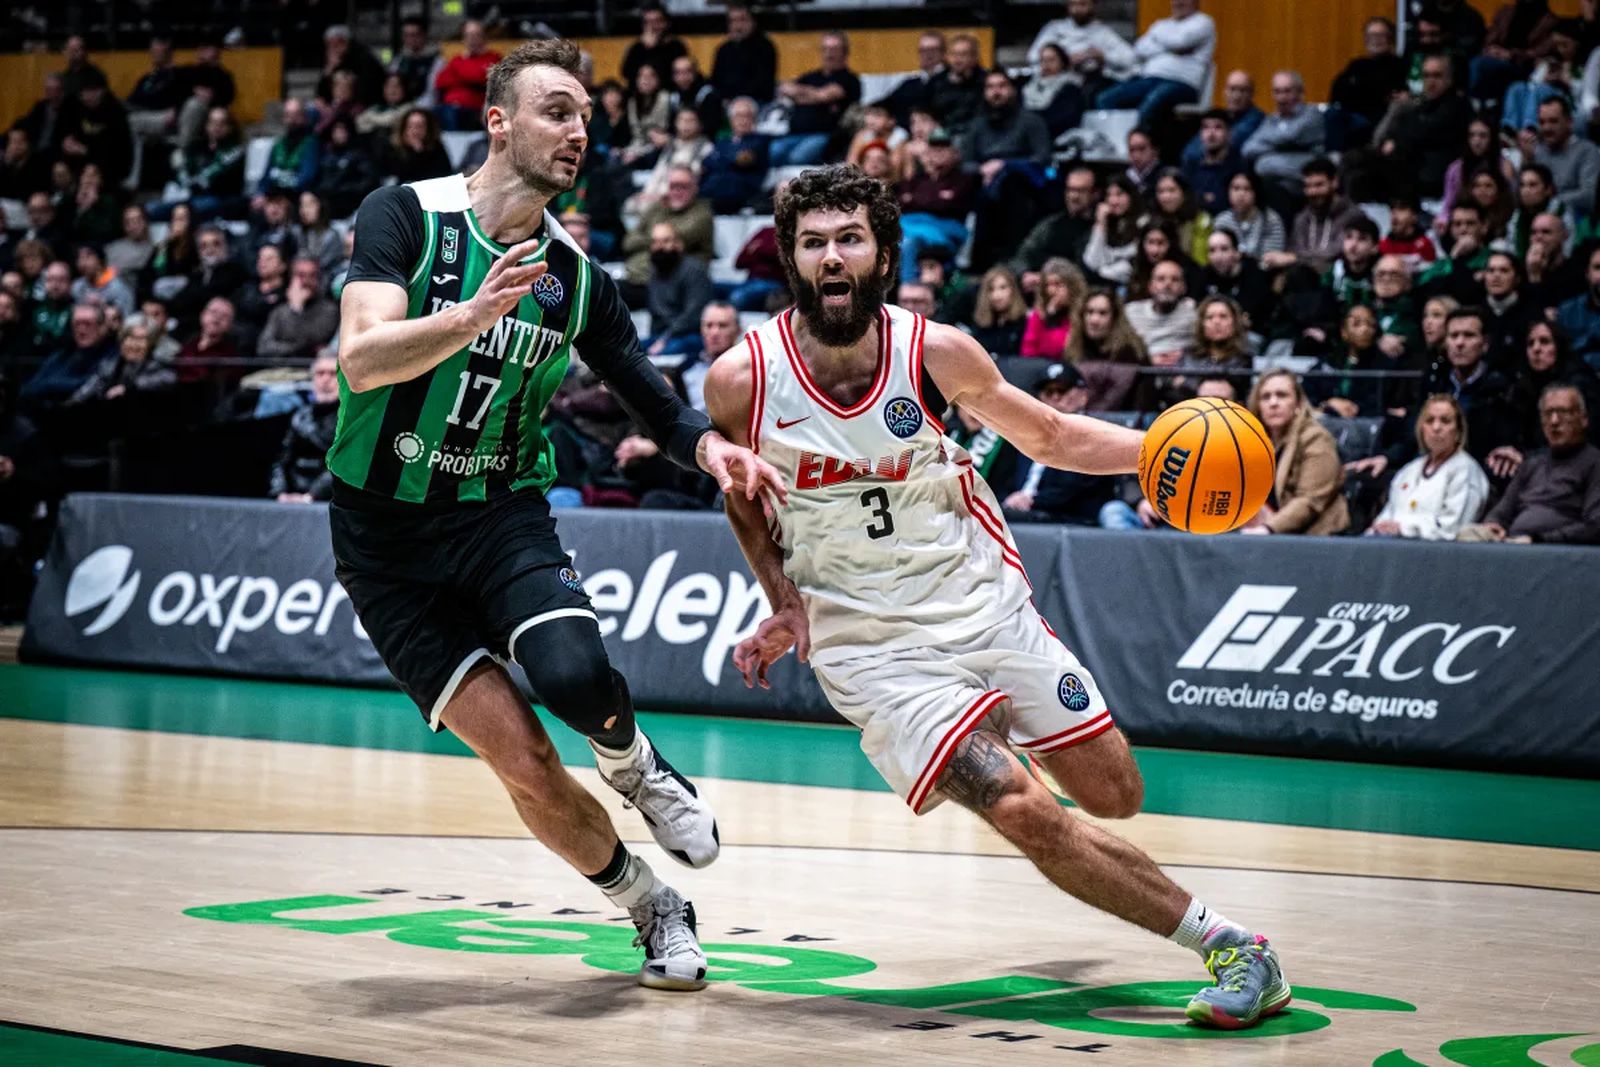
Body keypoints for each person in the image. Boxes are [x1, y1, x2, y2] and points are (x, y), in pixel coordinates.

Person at [702, 164, 1291, 1031]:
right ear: (789, 258)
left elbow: (1050, 435)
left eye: (849, 239)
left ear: (883, 254)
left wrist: (1166, 447)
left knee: (1116, 793)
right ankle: (1233, 945)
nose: (832, 257)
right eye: (814, 241)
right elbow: (742, 493)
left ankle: (1009, 733)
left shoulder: (934, 353)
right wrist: (783, 600)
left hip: (981, 601)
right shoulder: (741, 380)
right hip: (867, 642)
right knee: (1024, 810)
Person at [329, 39, 782, 992]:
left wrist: (711, 447)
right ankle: (654, 906)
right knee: (527, 763)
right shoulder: (405, 215)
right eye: (557, 111)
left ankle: (640, 766)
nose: (578, 131)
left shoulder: (575, 276)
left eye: (585, 116)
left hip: (499, 513)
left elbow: (654, 400)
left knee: (575, 673)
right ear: (499, 120)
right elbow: (361, 360)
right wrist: (465, 315)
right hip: (384, 541)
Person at [1457, 384, 1600, 542]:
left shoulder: (1595, 463)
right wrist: (1494, 523)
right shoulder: (1533, 463)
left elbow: (1594, 525)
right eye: (1548, 413)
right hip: (1514, 543)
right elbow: (1503, 508)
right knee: (1468, 534)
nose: (1554, 421)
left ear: (1583, 418)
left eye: (1563, 412)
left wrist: (1539, 539)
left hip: (1558, 550)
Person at [1242, 369, 1350, 535]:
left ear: (1298, 404)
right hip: (1267, 536)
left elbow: (1310, 500)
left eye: (1282, 395)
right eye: (1265, 397)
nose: (1273, 403)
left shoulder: (1316, 438)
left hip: (1315, 538)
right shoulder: (1255, 442)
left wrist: (1267, 528)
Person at [1367, 394, 1489, 539]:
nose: (1436, 427)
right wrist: (1379, 527)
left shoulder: (1466, 471)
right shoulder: (1409, 471)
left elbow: (1452, 528)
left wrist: (1404, 529)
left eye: (1445, 421)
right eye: (1430, 421)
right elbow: (1388, 514)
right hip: (1391, 546)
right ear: (1421, 428)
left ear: (1458, 431)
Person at [1095, 0, 1216, 129]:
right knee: (1106, 98)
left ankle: (1141, 144)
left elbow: (1180, 41)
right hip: (1149, 80)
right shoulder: (1163, 24)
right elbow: (1140, 49)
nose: (1178, 3)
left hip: (1182, 83)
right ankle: (1116, 140)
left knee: (1152, 101)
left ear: (1195, 2)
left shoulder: (1203, 22)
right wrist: (1170, 47)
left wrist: (1156, 36)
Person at [896, 127, 977, 284]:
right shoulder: (916, 179)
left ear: (955, 153)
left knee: (908, 242)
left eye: (944, 148)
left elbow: (949, 206)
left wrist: (916, 199)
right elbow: (901, 203)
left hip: (945, 230)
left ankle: (909, 291)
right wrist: (936, 198)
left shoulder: (963, 179)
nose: (938, 152)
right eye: (934, 149)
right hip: (908, 224)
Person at [771, 33, 861, 167]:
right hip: (794, 134)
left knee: (797, 158)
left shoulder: (849, 79)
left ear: (845, 52)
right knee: (772, 153)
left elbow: (825, 95)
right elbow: (784, 89)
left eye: (834, 49)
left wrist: (802, 94)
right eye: (825, 49)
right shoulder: (811, 76)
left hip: (825, 136)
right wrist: (816, 95)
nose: (829, 54)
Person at [1028, 0, 1138, 101]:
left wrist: (1102, 56)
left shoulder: (1103, 32)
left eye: (1082, 4)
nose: (1077, 10)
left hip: (1091, 85)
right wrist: (1064, 60)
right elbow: (1032, 56)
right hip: (1055, 84)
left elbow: (1130, 58)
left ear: (1093, 5)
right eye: (1073, 4)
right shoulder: (1054, 28)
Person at [1011, 166, 1100, 287]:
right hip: (1040, 289)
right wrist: (1024, 274)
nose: (1074, 197)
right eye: (1070, 190)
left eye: (1081, 191)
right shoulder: (1051, 224)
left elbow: (1091, 269)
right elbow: (1023, 255)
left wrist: (1048, 279)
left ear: (1095, 194)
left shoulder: (1099, 228)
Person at [271, 351, 341, 503]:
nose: (325, 380)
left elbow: (342, 463)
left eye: (332, 374)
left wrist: (312, 495)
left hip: (332, 497)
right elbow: (282, 460)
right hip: (295, 492)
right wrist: (280, 492)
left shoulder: (351, 419)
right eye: (320, 374)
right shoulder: (299, 416)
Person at [1242, 71, 1325, 200]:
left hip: (1305, 179)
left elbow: (1289, 136)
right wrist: (1279, 147)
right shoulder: (1271, 119)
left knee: (1262, 165)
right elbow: (1248, 149)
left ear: (1299, 92)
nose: (1281, 98)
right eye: (1277, 92)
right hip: (1278, 186)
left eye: (1287, 91)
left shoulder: (1311, 114)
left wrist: (1268, 148)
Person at [65, 319, 177, 408]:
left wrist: (129, 388)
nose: (134, 344)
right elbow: (88, 389)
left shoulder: (158, 365)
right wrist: (71, 403)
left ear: (151, 344)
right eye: (129, 338)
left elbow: (168, 379)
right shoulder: (111, 364)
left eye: (141, 339)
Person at [644, 222, 714, 358]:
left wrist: (664, 339)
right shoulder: (654, 271)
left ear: (679, 244)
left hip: (689, 335)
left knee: (663, 354)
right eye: (655, 242)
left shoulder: (694, 270)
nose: (660, 247)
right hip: (661, 335)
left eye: (666, 241)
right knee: (627, 353)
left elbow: (693, 317)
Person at [434, 20, 501, 131]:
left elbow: (481, 79)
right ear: (463, 39)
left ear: (484, 37)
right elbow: (440, 82)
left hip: (475, 109)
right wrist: (469, 79)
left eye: (476, 35)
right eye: (469, 35)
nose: (472, 39)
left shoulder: (493, 58)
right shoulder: (456, 60)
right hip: (449, 106)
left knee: (452, 114)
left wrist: (459, 77)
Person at [1081, 174, 1145, 286]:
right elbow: (1092, 262)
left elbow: (1132, 261)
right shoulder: (1103, 225)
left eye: (1119, 194)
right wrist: (1101, 224)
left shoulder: (1143, 223)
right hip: (1103, 285)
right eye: (1109, 195)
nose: (1114, 201)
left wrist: (1103, 271)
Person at [1182, 109, 1245, 217]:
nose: (1211, 134)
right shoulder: (1191, 165)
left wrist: (1200, 198)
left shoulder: (1239, 167)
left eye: (1218, 127)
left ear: (1229, 133)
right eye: (1206, 128)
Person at [1211, 171, 1286, 262]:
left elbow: (1271, 258)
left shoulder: (1271, 220)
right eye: (1236, 188)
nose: (1241, 194)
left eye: (1247, 189)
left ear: (1255, 193)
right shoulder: (1221, 221)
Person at [711, 4, 778, 105]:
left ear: (753, 22)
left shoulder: (765, 47)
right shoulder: (723, 49)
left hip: (755, 101)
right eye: (733, 21)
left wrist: (737, 98)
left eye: (742, 20)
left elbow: (763, 84)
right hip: (726, 102)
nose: (737, 26)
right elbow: (715, 80)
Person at [926, 34, 987, 138]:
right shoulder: (936, 82)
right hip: (941, 135)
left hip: (975, 136)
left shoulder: (986, 82)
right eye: (954, 55)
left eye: (963, 55)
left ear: (974, 57)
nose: (957, 60)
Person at [1020, 258, 1082, 358]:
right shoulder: (1039, 313)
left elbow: (1061, 349)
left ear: (1071, 286)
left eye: (1057, 284)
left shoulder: (1082, 311)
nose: (1051, 291)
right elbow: (1028, 351)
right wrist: (1051, 317)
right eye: (1047, 285)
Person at [963, 266, 1029, 357]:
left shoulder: (1024, 322)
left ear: (1012, 290)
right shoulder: (981, 323)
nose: (997, 295)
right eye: (991, 289)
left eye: (1003, 288)